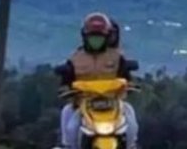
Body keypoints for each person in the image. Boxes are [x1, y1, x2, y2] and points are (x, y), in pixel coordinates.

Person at [56, 12, 139, 149]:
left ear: (108, 37)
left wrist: (129, 85)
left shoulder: (116, 57)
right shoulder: (76, 58)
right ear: (85, 37)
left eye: (100, 37)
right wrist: (66, 88)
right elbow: (66, 80)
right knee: (70, 123)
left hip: (113, 103)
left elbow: (126, 76)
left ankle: (131, 146)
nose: (96, 40)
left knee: (131, 121)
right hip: (84, 104)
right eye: (92, 37)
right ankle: (67, 146)